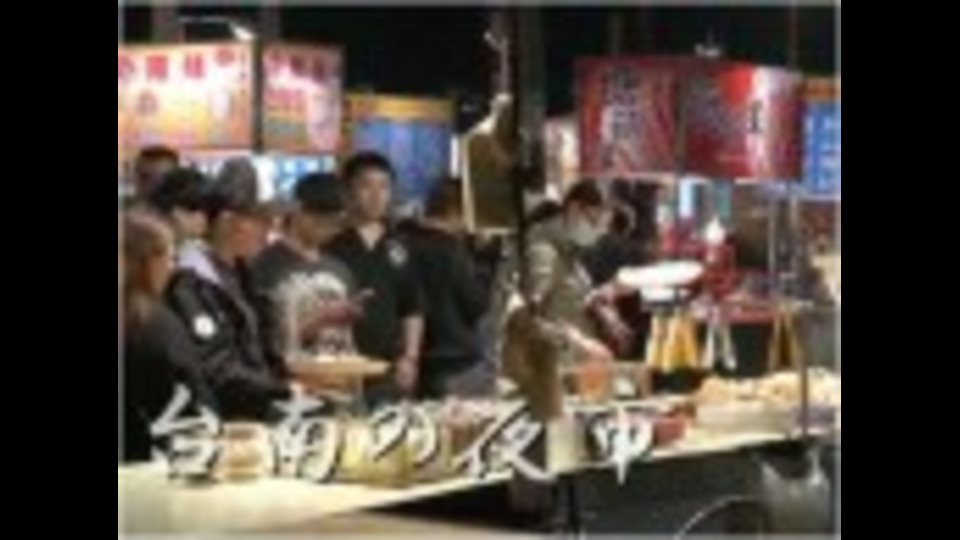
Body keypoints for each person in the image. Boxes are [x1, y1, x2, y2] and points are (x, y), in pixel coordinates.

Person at [165, 161, 295, 421]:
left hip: (255, 414)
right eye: (260, 220)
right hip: (220, 422)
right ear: (226, 221)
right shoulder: (190, 279)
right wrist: (283, 390)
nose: (269, 230)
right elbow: (215, 366)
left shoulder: (242, 273)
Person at [325, 151, 424, 403]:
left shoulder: (401, 246)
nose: (377, 195)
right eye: (366, 186)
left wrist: (410, 358)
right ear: (347, 192)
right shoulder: (330, 246)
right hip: (338, 369)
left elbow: (412, 307)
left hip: (389, 370)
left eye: (384, 186)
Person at [121, 210, 213, 463]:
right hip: (153, 464)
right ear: (148, 260)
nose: (173, 268)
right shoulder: (156, 324)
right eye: (170, 258)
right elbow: (191, 404)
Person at [250, 172, 363, 361]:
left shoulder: (340, 269)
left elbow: (348, 338)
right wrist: (317, 323)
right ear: (298, 211)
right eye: (322, 221)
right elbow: (259, 339)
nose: (329, 230)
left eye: (336, 224)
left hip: (340, 371)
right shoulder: (264, 266)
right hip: (287, 374)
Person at [397, 179, 490, 398]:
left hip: (411, 356)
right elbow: (476, 303)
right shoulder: (451, 250)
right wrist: (484, 260)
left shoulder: (401, 244)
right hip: (453, 358)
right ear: (457, 211)